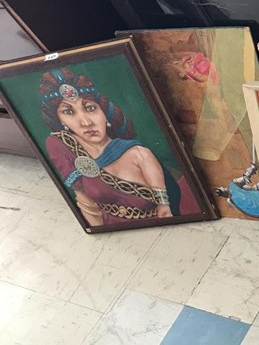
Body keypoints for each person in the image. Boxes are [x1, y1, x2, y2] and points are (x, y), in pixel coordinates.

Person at [40, 67, 184, 227]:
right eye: (68, 112)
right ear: (61, 121)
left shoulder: (139, 154)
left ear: (104, 111)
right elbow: (86, 205)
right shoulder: (65, 147)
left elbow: (166, 211)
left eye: (90, 108)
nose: (86, 122)